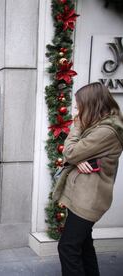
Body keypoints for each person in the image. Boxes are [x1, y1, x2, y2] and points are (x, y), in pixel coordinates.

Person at [55, 82, 123, 276]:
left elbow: (71, 151)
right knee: (84, 245)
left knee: (67, 248)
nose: (76, 110)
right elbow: (78, 156)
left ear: (92, 104)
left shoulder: (106, 131)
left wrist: (76, 127)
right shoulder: (100, 126)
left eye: (79, 106)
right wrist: (78, 161)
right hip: (83, 196)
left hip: (88, 200)